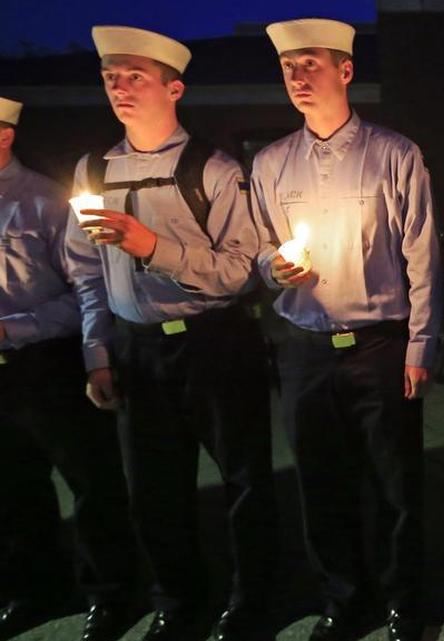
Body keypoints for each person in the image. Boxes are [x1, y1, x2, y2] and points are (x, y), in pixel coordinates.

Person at [65, 25, 277, 641]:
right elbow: (85, 272)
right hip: (136, 347)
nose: (120, 88)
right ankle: (178, 602)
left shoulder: (213, 168)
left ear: (173, 88)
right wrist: (97, 351)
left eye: (136, 77)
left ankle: (252, 600)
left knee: (243, 481)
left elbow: (240, 271)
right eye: (111, 78)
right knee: (154, 488)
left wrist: (152, 247)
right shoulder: (93, 170)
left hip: (214, 342)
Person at [250, 17, 443, 641]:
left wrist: (421, 344)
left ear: (346, 70)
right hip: (304, 347)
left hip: (379, 346)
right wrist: (274, 268)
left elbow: (422, 256)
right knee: (320, 483)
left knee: (395, 483)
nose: (298, 77)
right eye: (288, 67)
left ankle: (402, 602)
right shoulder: (272, 163)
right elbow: (259, 246)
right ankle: (343, 600)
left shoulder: (394, 154)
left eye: (311, 64)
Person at [0, 96, 135, 641]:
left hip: (46, 362)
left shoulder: (44, 201)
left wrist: (13, 328)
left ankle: (112, 592)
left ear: (5, 134)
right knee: (14, 486)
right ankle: (36, 589)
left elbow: (86, 289)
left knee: (90, 483)